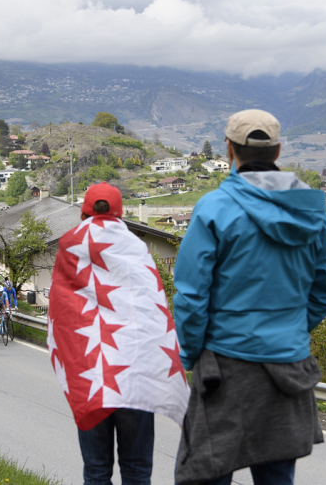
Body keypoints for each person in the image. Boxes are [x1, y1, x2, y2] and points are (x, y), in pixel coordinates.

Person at [172, 109, 326, 485]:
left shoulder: (214, 209)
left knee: (204, 473)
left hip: (226, 367)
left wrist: (188, 353)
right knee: (277, 477)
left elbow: (191, 295)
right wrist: (291, 327)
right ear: (277, 151)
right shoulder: (313, 213)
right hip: (289, 368)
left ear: (229, 150)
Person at [48, 182, 189, 485]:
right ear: (120, 213)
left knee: (96, 473)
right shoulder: (136, 249)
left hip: (91, 376)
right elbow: (155, 315)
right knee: (137, 472)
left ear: (85, 212)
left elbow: (61, 316)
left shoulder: (70, 247)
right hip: (135, 376)